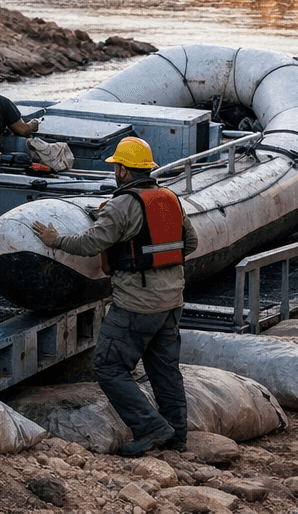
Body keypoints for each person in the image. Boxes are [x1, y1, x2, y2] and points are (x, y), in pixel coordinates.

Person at [32, 136, 197, 456]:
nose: (115, 172)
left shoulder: (121, 205)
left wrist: (55, 239)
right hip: (172, 302)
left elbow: (89, 244)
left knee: (109, 366)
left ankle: (151, 428)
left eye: (116, 167)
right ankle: (177, 438)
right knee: (165, 371)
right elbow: (190, 243)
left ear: (123, 170)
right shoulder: (169, 198)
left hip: (136, 304)